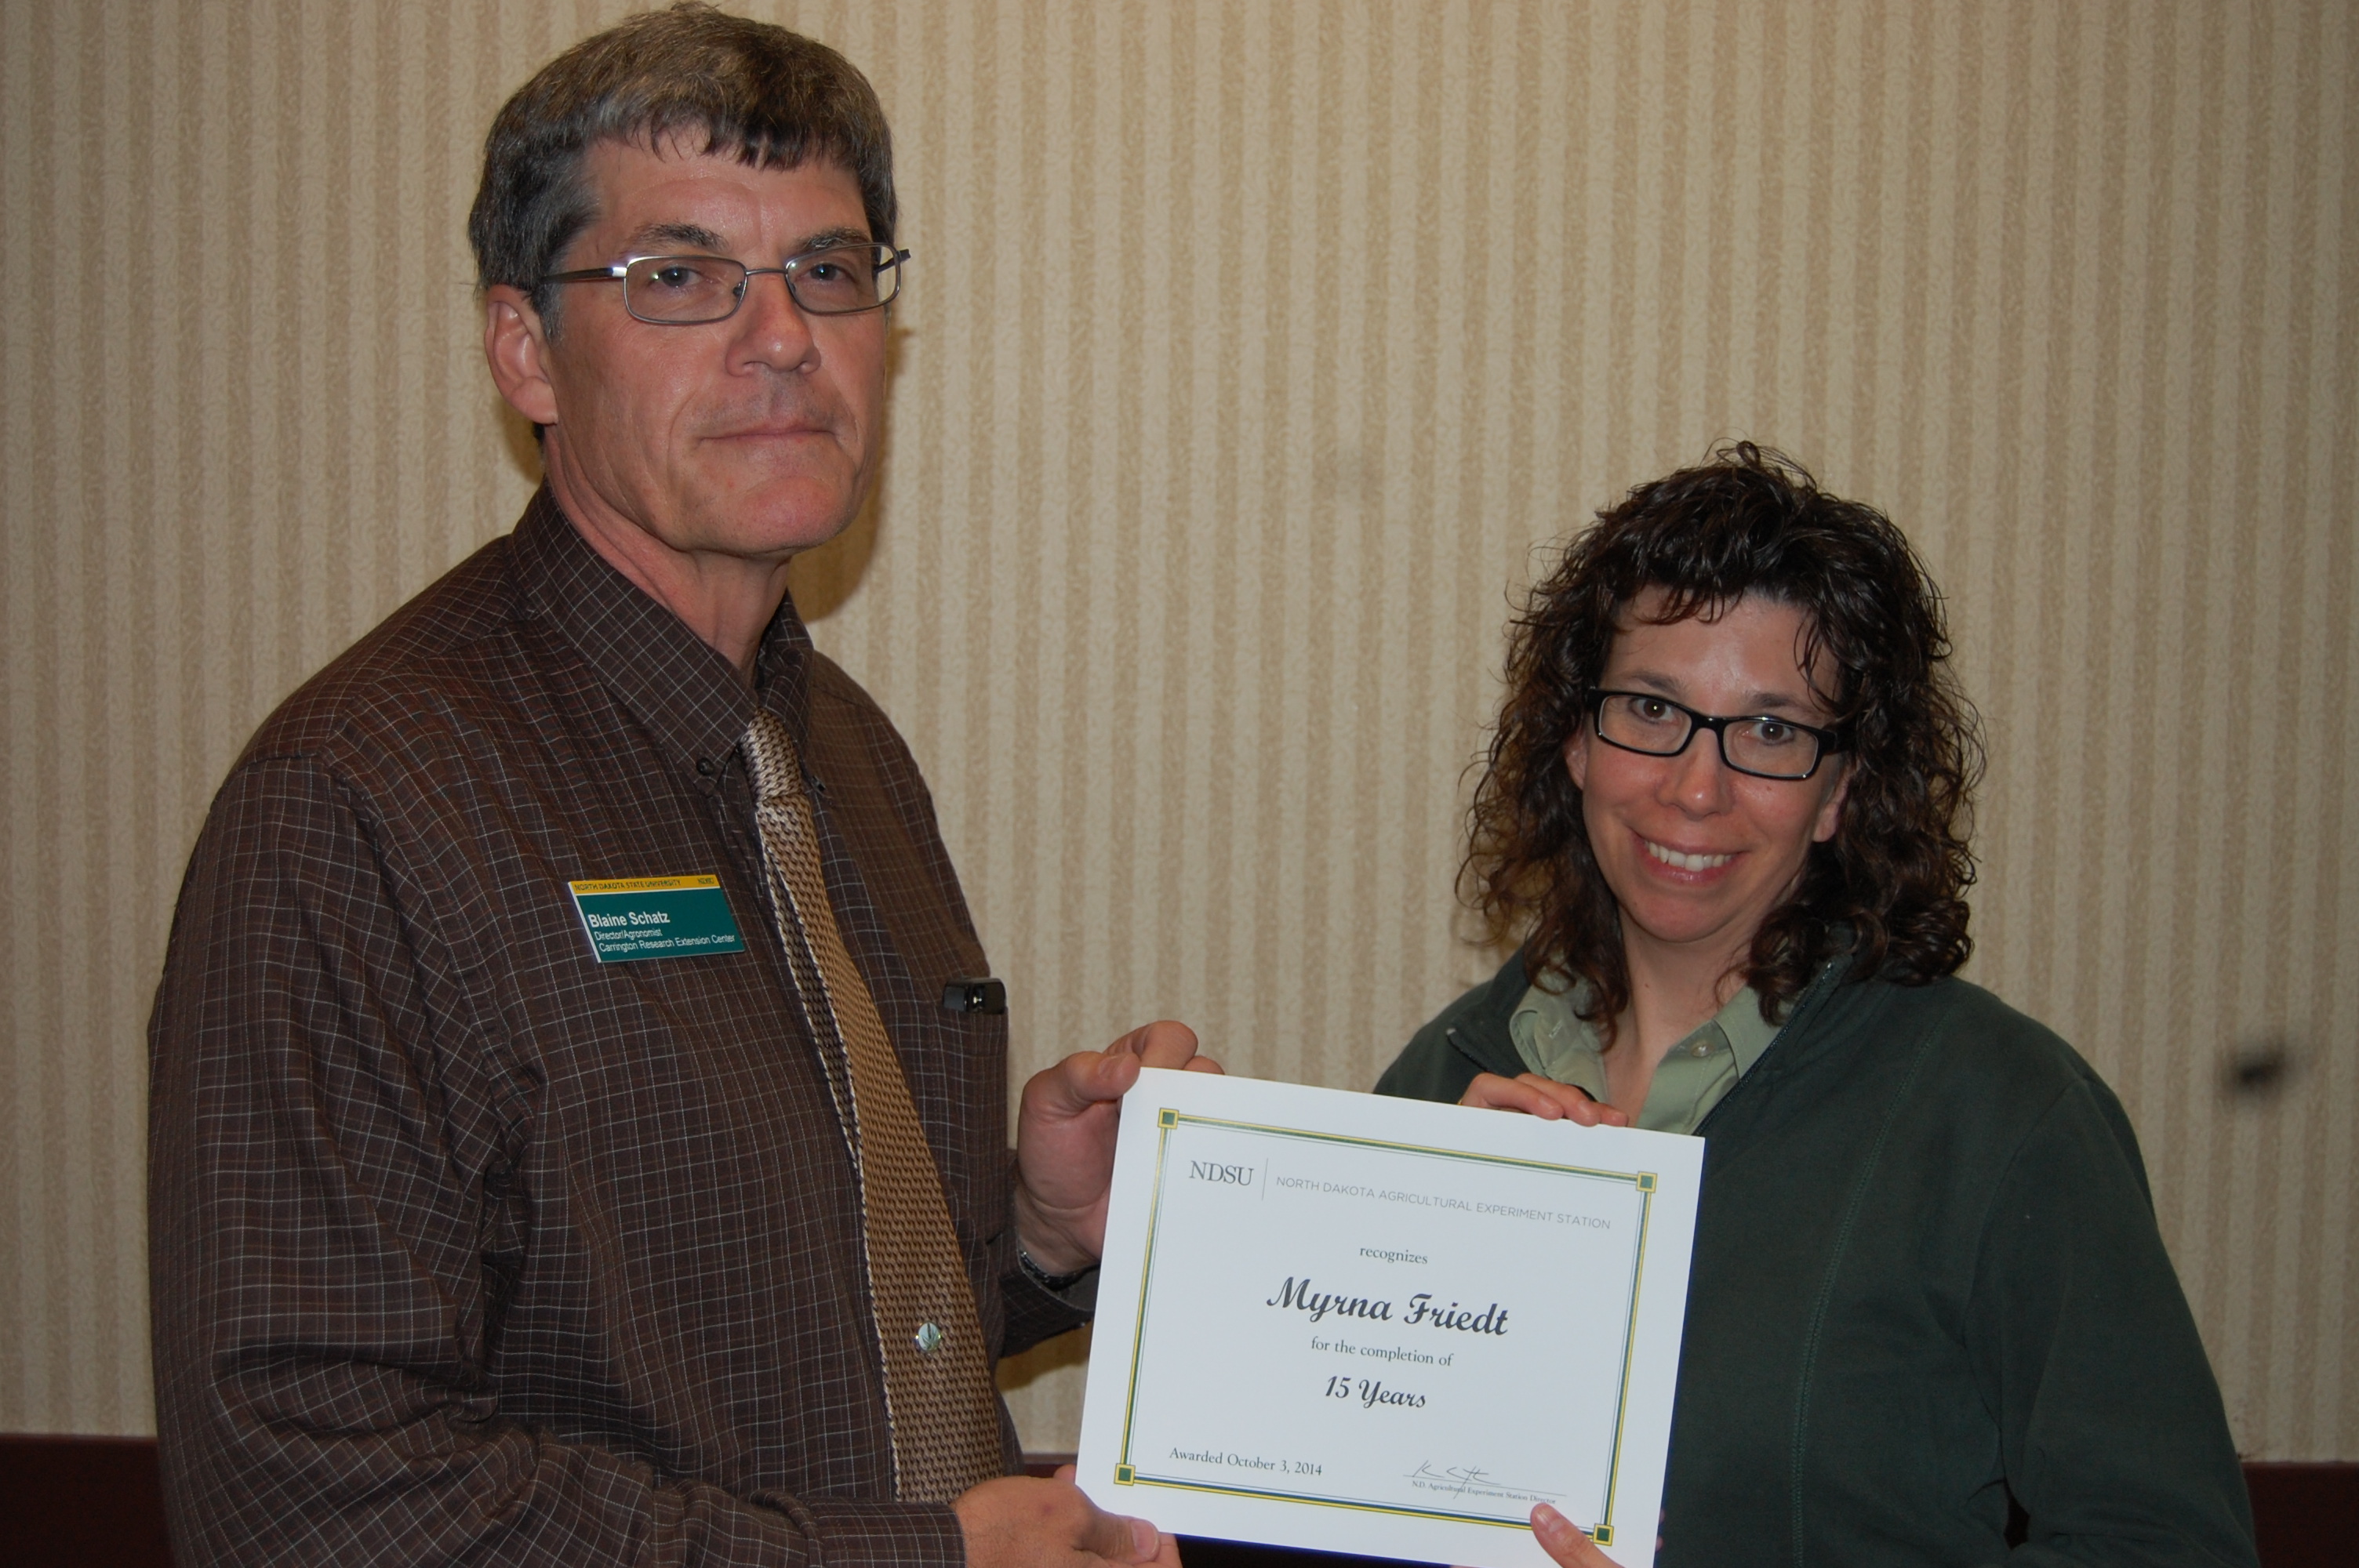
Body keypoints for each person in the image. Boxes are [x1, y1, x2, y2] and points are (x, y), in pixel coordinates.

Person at [147, 8, 1213, 1566]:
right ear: (528, 350)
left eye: (829, 272)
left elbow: (741, 1334)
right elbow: (305, 1485)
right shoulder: (356, 805)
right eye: (681, 277)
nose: (781, 334)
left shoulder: (840, 749)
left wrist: (1033, 1233)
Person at [1375, 445, 2256, 1566]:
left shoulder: (2005, 1116)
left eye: (1774, 732)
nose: (1696, 788)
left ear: (1842, 792)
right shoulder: (1445, 1077)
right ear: (1576, 741)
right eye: (1651, 708)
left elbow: (2168, 1546)